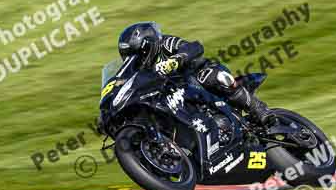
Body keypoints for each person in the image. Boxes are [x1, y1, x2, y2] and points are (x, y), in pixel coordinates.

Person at [117, 21, 275, 125]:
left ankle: (257, 107)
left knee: (212, 76)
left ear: (147, 45)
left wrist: (176, 59)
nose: (132, 58)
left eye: (134, 53)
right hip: (178, 97)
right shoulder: (140, 70)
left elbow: (195, 47)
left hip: (196, 77)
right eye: (128, 56)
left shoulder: (165, 43)